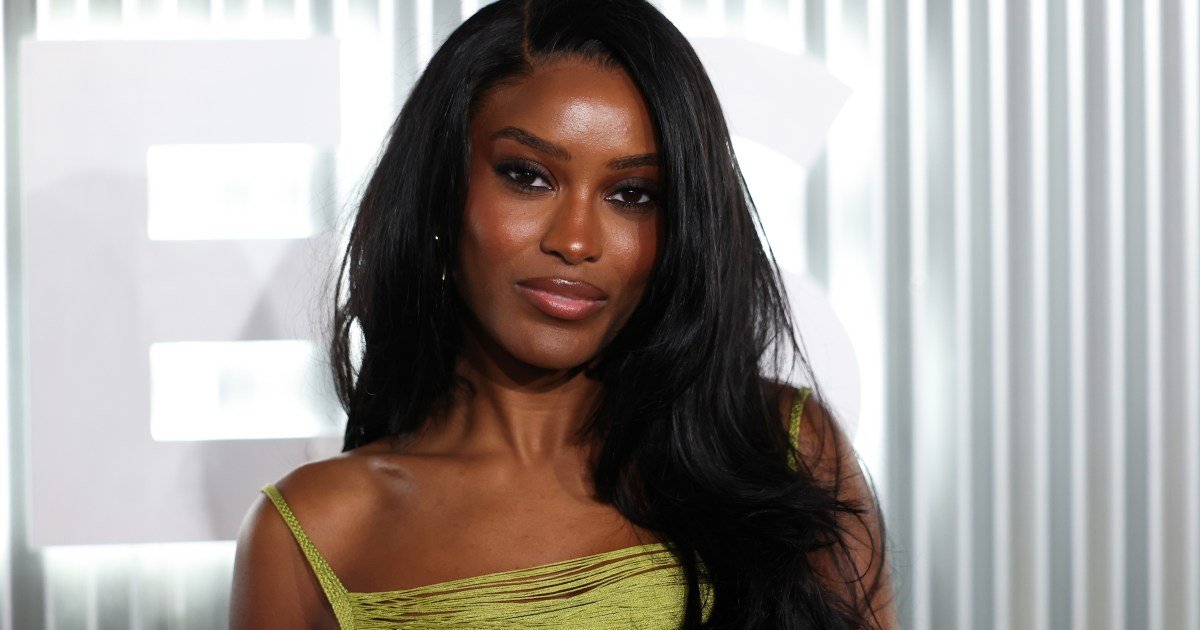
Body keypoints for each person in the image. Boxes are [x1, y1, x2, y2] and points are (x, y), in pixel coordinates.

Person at [230, 0, 895, 627]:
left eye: (632, 194)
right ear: (440, 192)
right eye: (528, 176)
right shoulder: (319, 533)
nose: (575, 241)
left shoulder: (781, 450)